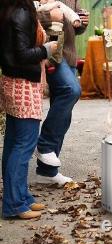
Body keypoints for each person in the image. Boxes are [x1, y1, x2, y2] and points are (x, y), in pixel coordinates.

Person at [0, 0, 57, 219]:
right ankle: (14, 205)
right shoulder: (21, 13)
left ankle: (21, 197)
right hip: (23, 85)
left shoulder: (10, 9)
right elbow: (22, 55)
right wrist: (46, 49)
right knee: (23, 145)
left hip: (12, 81)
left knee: (14, 143)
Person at [35, 0, 89, 185]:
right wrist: (50, 16)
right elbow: (32, 14)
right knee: (71, 90)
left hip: (69, 56)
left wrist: (81, 23)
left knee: (63, 115)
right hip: (53, 54)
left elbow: (73, 28)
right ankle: (45, 146)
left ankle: (47, 171)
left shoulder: (72, 1)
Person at [34, 0, 81, 67]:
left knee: (56, 46)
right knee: (49, 46)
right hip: (44, 33)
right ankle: (48, 60)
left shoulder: (57, 4)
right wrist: (49, 16)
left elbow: (69, 12)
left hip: (57, 31)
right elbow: (29, 16)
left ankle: (51, 61)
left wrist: (76, 19)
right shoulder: (37, 4)